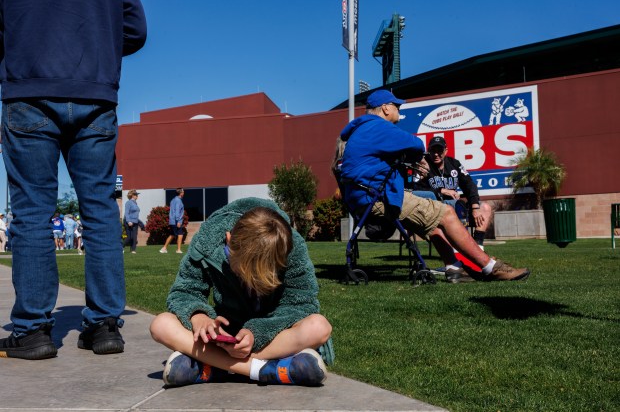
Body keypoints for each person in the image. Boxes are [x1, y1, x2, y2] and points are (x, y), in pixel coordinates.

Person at [0, 0, 147, 360]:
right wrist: (96, 49)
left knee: (33, 211)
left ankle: (32, 330)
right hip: (95, 92)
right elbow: (136, 30)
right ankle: (104, 326)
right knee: (98, 210)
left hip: (28, 90)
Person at [339, 89, 530, 283]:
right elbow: (416, 144)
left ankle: (454, 267)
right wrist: (415, 158)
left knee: (433, 225)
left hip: (362, 199)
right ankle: (490, 267)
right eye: (397, 106)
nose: (399, 110)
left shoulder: (360, 129)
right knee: (446, 212)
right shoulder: (379, 126)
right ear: (386, 108)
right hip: (377, 198)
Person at [150, 197, 333, 387]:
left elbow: (301, 304)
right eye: (243, 270)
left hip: (274, 336)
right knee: (161, 325)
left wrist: (257, 333)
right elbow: (183, 291)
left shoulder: (290, 246)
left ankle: (214, 366)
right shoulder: (207, 242)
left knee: (319, 327)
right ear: (229, 240)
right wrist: (199, 316)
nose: (249, 281)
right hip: (226, 335)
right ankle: (269, 370)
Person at [416, 136, 494, 249]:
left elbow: (469, 185)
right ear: (429, 151)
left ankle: (478, 247)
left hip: (457, 207)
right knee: (458, 207)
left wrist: (475, 207)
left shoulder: (454, 164)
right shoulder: (424, 165)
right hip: (436, 208)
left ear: (446, 150)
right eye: (433, 151)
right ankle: (458, 250)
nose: (436, 154)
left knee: (485, 208)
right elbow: (415, 189)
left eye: (439, 150)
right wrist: (441, 190)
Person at [160, 188, 185, 254]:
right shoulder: (178, 201)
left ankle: (164, 248)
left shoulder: (173, 200)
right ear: (181, 193)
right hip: (176, 221)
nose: (184, 193)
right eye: (183, 191)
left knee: (172, 235)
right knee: (180, 234)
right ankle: (178, 250)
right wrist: (179, 221)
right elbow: (177, 212)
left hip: (172, 221)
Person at [123, 190, 141, 254]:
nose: (137, 196)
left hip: (135, 222)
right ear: (133, 195)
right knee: (129, 237)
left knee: (134, 237)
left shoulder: (135, 203)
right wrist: (128, 221)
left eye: (137, 195)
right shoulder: (129, 202)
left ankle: (133, 250)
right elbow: (127, 213)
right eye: (136, 195)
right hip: (129, 222)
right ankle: (120, 247)